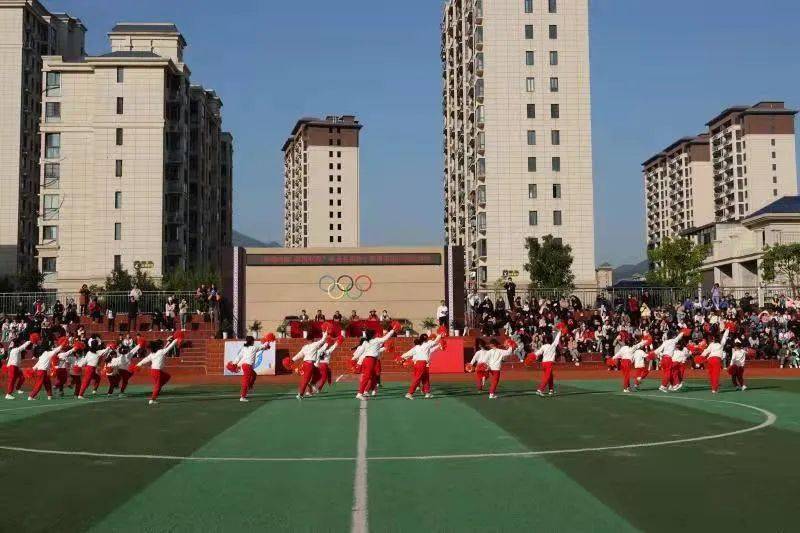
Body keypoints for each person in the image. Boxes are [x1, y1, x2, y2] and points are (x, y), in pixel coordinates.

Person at [353, 326, 398, 400]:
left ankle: (366, 391)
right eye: (375, 333)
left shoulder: (365, 342)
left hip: (369, 360)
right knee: (367, 377)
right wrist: (392, 330)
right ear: (373, 335)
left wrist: (354, 359)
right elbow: (385, 338)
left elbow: (360, 352)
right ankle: (360, 393)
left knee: (373, 377)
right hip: (370, 360)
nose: (376, 334)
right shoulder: (376, 340)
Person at [136, 336, 181, 405]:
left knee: (167, 376)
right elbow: (169, 347)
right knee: (157, 385)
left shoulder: (153, 353)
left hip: (154, 371)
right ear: (159, 346)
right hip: (157, 372)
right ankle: (152, 400)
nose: (162, 345)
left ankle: (158, 387)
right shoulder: (161, 352)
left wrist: (138, 364)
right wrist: (176, 339)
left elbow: (145, 359)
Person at [402, 332, 443, 400]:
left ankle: (427, 393)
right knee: (417, 379)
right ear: (427, 339)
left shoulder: (417, 346)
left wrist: (402, 357)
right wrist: (440, 334)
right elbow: (435, 341)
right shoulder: (427, 344)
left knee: (426, 378)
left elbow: (409, 353)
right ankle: (409, 393)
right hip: (422, 364)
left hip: (419, 363)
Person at [230, 335, 269, 402]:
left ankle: (250, 386)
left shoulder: (244, 348)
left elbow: (239, 357)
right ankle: (242, 397)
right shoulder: (254, 348)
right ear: (252, 341)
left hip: (245, 366)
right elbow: (263, 346)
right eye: (253, 341)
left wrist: (234, 363)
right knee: (246, 381)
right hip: (247, 366)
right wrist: (268, 341)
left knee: (254, 375)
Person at [292, 332, 329, 399]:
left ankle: (312, 383)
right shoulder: (314, 345)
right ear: (313, 339)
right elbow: (322, 340)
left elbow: (299, 355)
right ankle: (300, 394)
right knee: (306, 380)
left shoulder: (305, 347)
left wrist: (292, 360)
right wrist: (325, 333)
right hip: (310, 365)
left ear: (307, 339)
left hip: (304, 364)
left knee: (318, 374)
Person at [701, 327, 730, 393]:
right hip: (717, 360)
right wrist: (727, 329)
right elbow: (725, 337)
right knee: (716, 375)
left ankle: (713, 387)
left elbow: (706, 351)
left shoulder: (711, 344)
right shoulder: (721, 344)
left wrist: (701, 356)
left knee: (711, 374)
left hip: (710, 360)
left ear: (713, 339)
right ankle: (714, 389)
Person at [535, 327, 562, 397]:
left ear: (546, 340)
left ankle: (551, 390)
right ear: (551, 339)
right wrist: (559, 331)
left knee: (550, 376)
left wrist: (533, 356)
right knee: (547, 376)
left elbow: (538, 353)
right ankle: (540, 390)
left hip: (543, 363)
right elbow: (557, 338)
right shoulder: (553, 345)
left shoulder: (543, 346)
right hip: (549, 363)